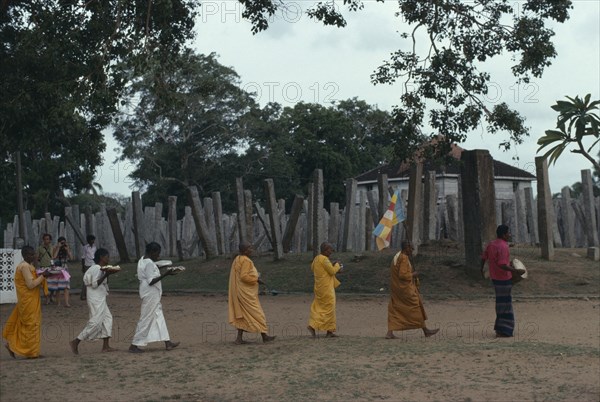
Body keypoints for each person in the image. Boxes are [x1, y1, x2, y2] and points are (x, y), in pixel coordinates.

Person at [129, 242, 179, 353]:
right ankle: (134, 344)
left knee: (159, 316)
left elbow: (149, 275)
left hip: (148, 291)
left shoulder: (142, 260)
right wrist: (166, 274)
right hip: (150, 293)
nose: (158, 256)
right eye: (157, 253)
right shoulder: (149, 263)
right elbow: (151, 281)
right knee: (146, 318)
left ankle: (167, 342)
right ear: (152, 252)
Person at [3, 246, 51, 359]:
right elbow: (31, 285)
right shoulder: (24, 266)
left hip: (30, 300)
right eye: (30, 254)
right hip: (28, 301)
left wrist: (42, 275)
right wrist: (43, 276)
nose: (33, 256)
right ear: (24, 255)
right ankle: (31, 353)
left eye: (33, 254)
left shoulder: (29, 266)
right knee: (31, 326)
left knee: (29, 325)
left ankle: (15, 346)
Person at [386, 240, 439, 339]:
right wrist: (413, 274)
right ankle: (426, 330)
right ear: (406, 248)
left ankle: (389, 333)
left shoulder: (397, 256)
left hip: (396, 289)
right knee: (415, 306)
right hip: (405, 290)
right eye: (411, 248)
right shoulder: (404, 258)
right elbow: (402, 275)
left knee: (395, 308)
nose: (413, 249)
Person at [69, 248, 117, 355]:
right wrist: (106, 274)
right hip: (95, 298)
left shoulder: (101, 268)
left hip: (100, 297)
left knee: (107, 319)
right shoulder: (96, 268)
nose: (108, 259)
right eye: (107, 257)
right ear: (101, 257)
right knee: (95, 322)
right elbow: (95, 284)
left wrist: (107, 274)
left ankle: (106, 346)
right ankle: (76, 341)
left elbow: (104, 283)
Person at [228, 242, 276, 345]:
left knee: (243, 315)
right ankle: (264, 336)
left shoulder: (237, 259)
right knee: (258, 313)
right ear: (245, 250)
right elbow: (244, 276)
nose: (252, 249)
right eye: (249, 248)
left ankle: (240, 339)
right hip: (246, 293)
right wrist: (257, 279)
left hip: (240, 291)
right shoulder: (246, 261)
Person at [481, 224, 521, 338]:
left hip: (495, 278)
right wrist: (515, 270)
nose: (509, 234)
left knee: (500, 303)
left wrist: (481, 269)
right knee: (506, 304)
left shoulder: (491, 244)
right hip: (504, 278)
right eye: (508, 232)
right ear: (503, 234)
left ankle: (500, 329)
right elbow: (502, 264)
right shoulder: (503, 246)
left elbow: (484, 257)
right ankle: (505, 330)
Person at [307, 242, 343, 338]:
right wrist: (338, 265)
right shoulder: (324, 259)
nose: (331, 252)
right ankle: (321, 328)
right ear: (325, 250)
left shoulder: (317, 258)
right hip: (326, 288)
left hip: (319, 288)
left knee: (318, 307)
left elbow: (313, 268)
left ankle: (326, 329)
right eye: (330, 250)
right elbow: (332, 271)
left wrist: (331, 265)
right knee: (329, 308)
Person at [50, 236, 73, 307]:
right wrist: (58, 248)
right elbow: (54, 257)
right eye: (61, 242)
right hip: (58, 268)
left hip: (65, 268)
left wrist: (67, 250)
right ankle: (58, 303)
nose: (63, 244)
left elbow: (71, 258)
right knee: (58, 287)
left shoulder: (67, 248)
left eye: (64, 242)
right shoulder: (55, 248)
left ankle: (66, 302)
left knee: (66, 286)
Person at [36, 233, 54, 304]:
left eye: (48, 239)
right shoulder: (40, 248)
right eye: (45, 239)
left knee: (52, 283)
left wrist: (53, 264)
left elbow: (52, 256)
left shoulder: (52, 247)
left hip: (50, 266)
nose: (47, 240)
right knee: (44, 284)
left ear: (50, 240)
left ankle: (51, 295)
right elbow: (37, 257)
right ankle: (47, 298)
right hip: (43, 267)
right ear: (43, 240)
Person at [80, 234, 97, 301]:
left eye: (93, 240)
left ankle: (92, 295)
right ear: (89, 240)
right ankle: (83, 295)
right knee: (86, 280)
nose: (93, 241)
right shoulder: (85, 247)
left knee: (93, 280)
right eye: (92, 240)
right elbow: (83, 257)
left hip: (93, 264)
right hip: (87, 265)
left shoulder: (95, 247)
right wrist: (83, 266)